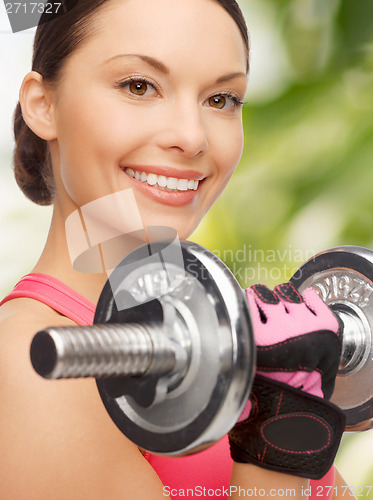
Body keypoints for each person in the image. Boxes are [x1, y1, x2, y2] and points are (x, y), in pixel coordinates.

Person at [0, 0, 354, 498]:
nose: (191, 138)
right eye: (139, 86)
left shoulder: (227, 348)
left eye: (222, 99)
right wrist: (281, 432)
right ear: (43, 104)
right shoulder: (32, 369)